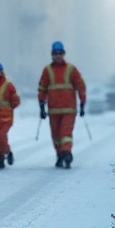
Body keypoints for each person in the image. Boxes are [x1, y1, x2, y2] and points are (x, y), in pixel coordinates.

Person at [38, 41, 87, 169]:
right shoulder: (47, 70)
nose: (58, 56)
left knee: (65, 133)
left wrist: (82, 102)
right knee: (56, 135)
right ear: (52, 55)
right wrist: (41, 104)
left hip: (68, 109)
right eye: (55, 53)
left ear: (63, 54)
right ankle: (59, 155)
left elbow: (80, 86)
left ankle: (66, 153)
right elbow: (42, 88)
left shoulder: (71, 69)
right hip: (53, 109)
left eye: (60, 53)